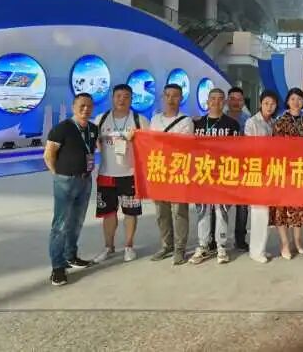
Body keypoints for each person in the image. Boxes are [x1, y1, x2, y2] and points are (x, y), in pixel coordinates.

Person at [43, 93, 99, 286]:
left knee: (76, 221)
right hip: (65, 181)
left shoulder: (93, 129)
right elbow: (49, 154)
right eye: (82, 105)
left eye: (89, 106)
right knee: (60, 225)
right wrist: (58, 174)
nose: (86, 109)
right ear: (74, 107)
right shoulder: (62, 128)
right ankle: (57, 267)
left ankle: (71, 255)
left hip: (85, 181)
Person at [92, 84, 149, 264]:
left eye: (126, 96)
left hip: (130, 174)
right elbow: (93, 142)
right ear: (112, 98)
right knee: (108, 213)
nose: (122, 100)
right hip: (106, 174)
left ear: (131, 99)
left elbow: (150, 146)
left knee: (130, 212)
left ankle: (129, 246)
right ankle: (108, 247)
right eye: (118, 96)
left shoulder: (140, 120)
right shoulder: (101, 119)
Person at [189, 88, 242, 266]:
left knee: (222, 211)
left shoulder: (232, 124)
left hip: (223, 174)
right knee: (202, 211)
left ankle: (221, 247)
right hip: (202, 173)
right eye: (213, 98)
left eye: (220, 99)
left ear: (224, 102)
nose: (216, 102)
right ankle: (203, 246)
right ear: (207, 101)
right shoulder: (197, 124)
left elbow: (237, 151)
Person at [149, 84, 194, 265]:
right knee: (161, 212)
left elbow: (182, 145)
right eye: (167, 95)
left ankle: (179, 248)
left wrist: (163, 143)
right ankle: (166, 245)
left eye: (175, 96)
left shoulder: (186, 121)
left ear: (181, 98)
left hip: (178, 171)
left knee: (179, 212)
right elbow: (150, 144)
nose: (171, 99)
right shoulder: (155, 120)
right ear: (163, 97)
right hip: (158, 170)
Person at [271, 87, 303, 259]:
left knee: (299, 207)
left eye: (299, 99)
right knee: (282, 208)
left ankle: (298, 241)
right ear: (287, 102)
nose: (296, 102)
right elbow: (276, 147)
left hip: (301, 170)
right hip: (284, 170)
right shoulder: (280, 122)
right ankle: (284, 243)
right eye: (293, 99)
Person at [244, 89, 280, 263]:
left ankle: (261, 248)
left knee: (266, 213)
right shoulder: (252, 122)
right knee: (259, 212)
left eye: (272, 104)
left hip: (270, 171)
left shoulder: (274, 123)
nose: (269, 107)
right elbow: (249, 147)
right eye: (266, 103)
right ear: (260, 103)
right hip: (257, 170)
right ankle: (255, 251)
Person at [225, 86, 251, 252]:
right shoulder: (219, 118)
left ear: (243, 102)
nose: (235, 102)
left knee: (242, 206)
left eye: (239, 99)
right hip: (223, 168)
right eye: (232, 99)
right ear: (227, 101)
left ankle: (240, 239)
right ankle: (216, 239)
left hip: (243, 168)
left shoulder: (249, 120)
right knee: (220, 205)